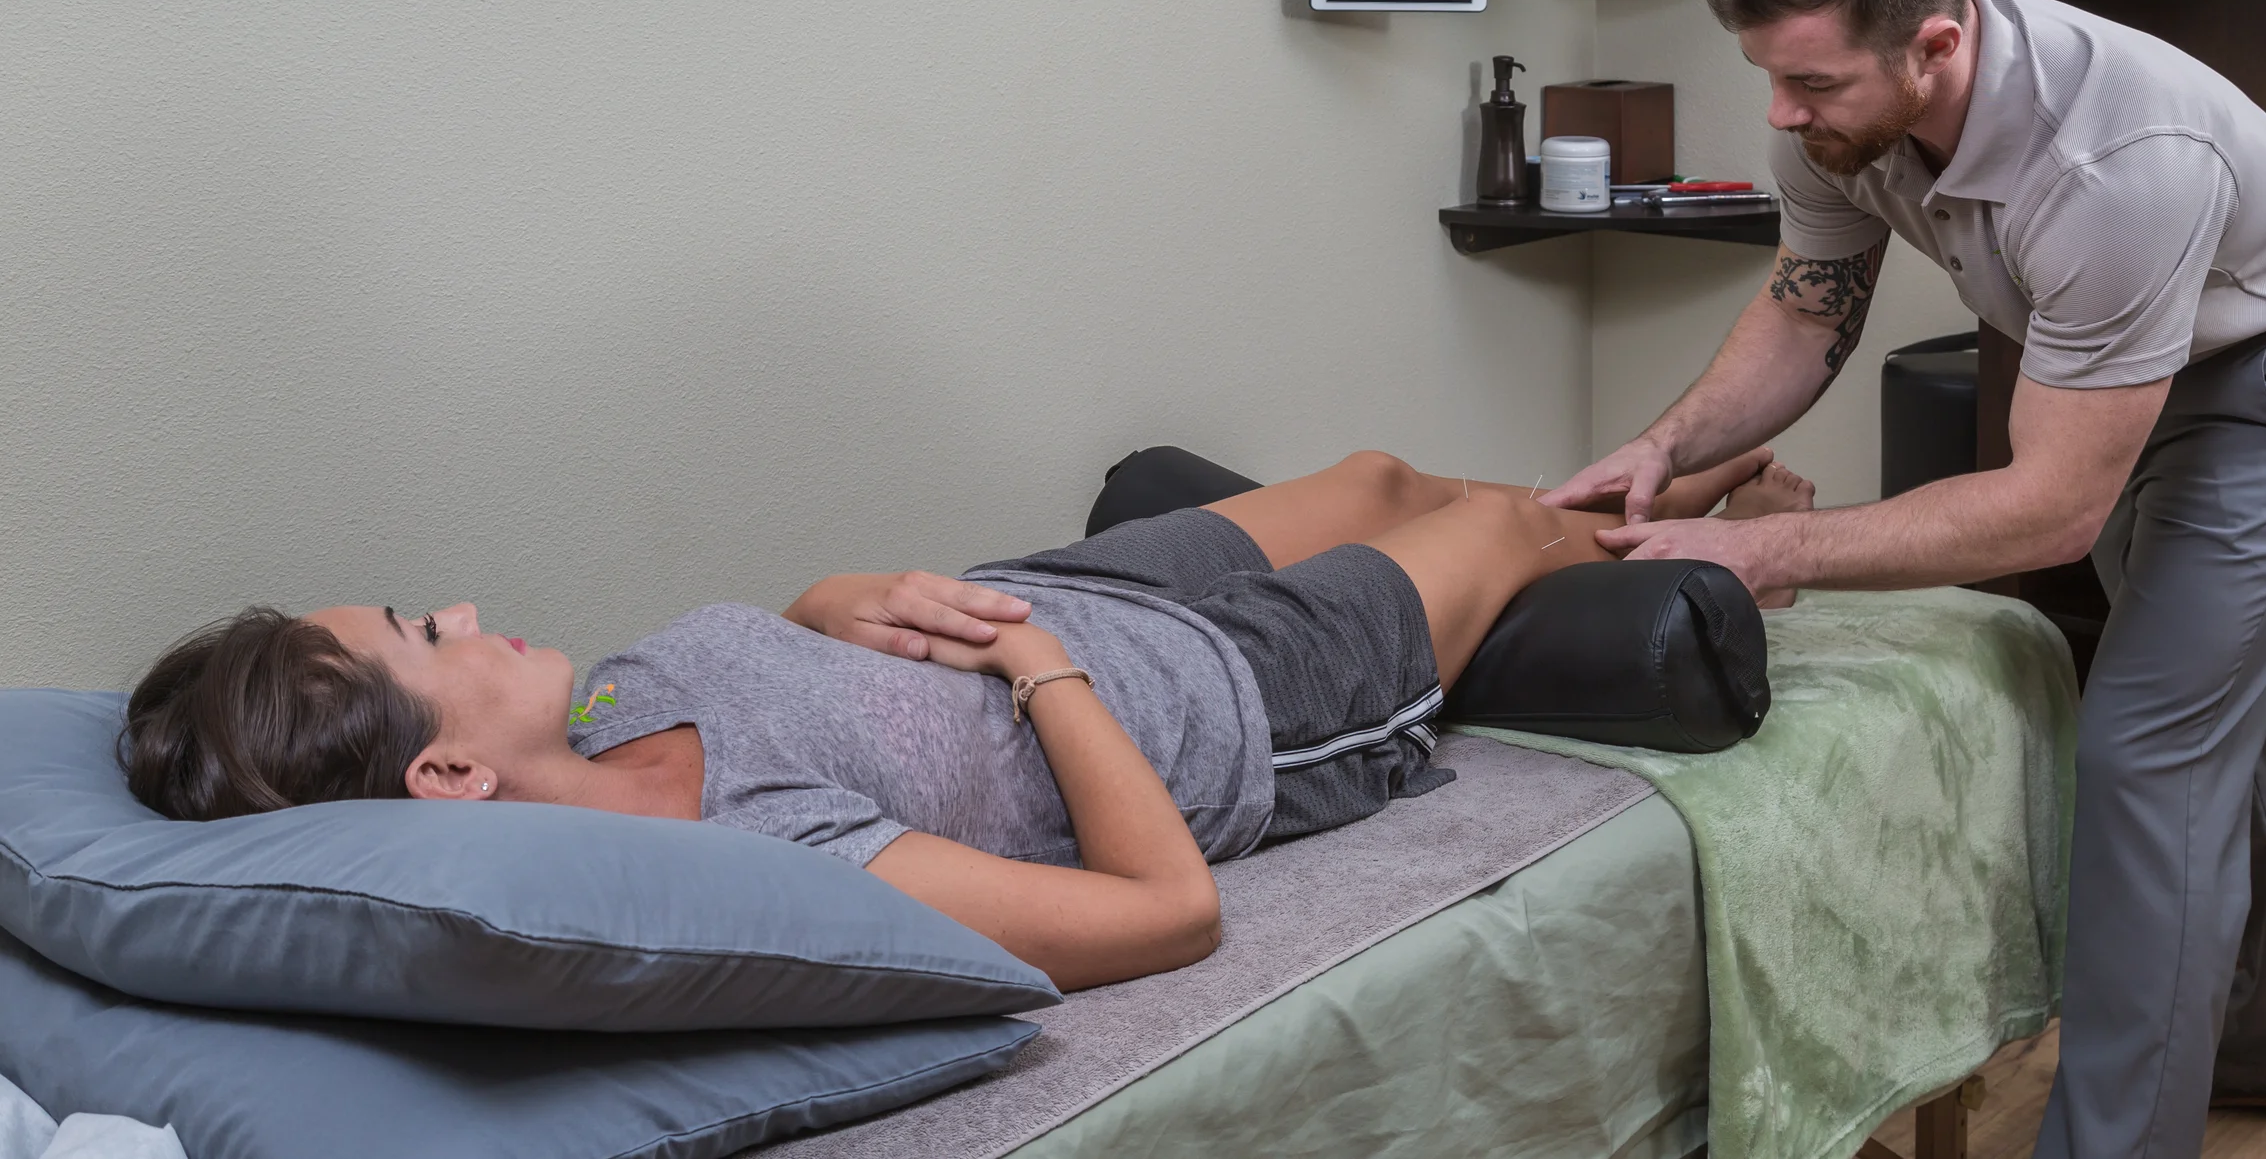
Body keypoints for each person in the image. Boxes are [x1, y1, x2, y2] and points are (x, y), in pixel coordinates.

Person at [1543, 0, 2266, 1154]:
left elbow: (2049, 510)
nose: (1781, 113)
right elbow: (1805, 314)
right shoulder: (1841, 114)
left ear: (1936, 46)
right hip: (2124, 366)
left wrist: (1778, 551)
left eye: (1811, 82)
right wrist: (1664, 446)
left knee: (2153, 744)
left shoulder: (2117, 167)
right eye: (1770, 75)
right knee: (2224, 688)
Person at [120, 447, 1813, 992]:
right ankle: (1718, 526)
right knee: (1496, 528)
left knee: (1379, 473)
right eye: (426, 635)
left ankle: (1658, 491)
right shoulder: (746, 857)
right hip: (1226, 701)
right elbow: (1164, 909)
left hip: (1060, 591)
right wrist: (1041, 669)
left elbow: (799, 659)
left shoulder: (602, 701)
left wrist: (834, 595)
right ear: (443, 769)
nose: (460, 607)